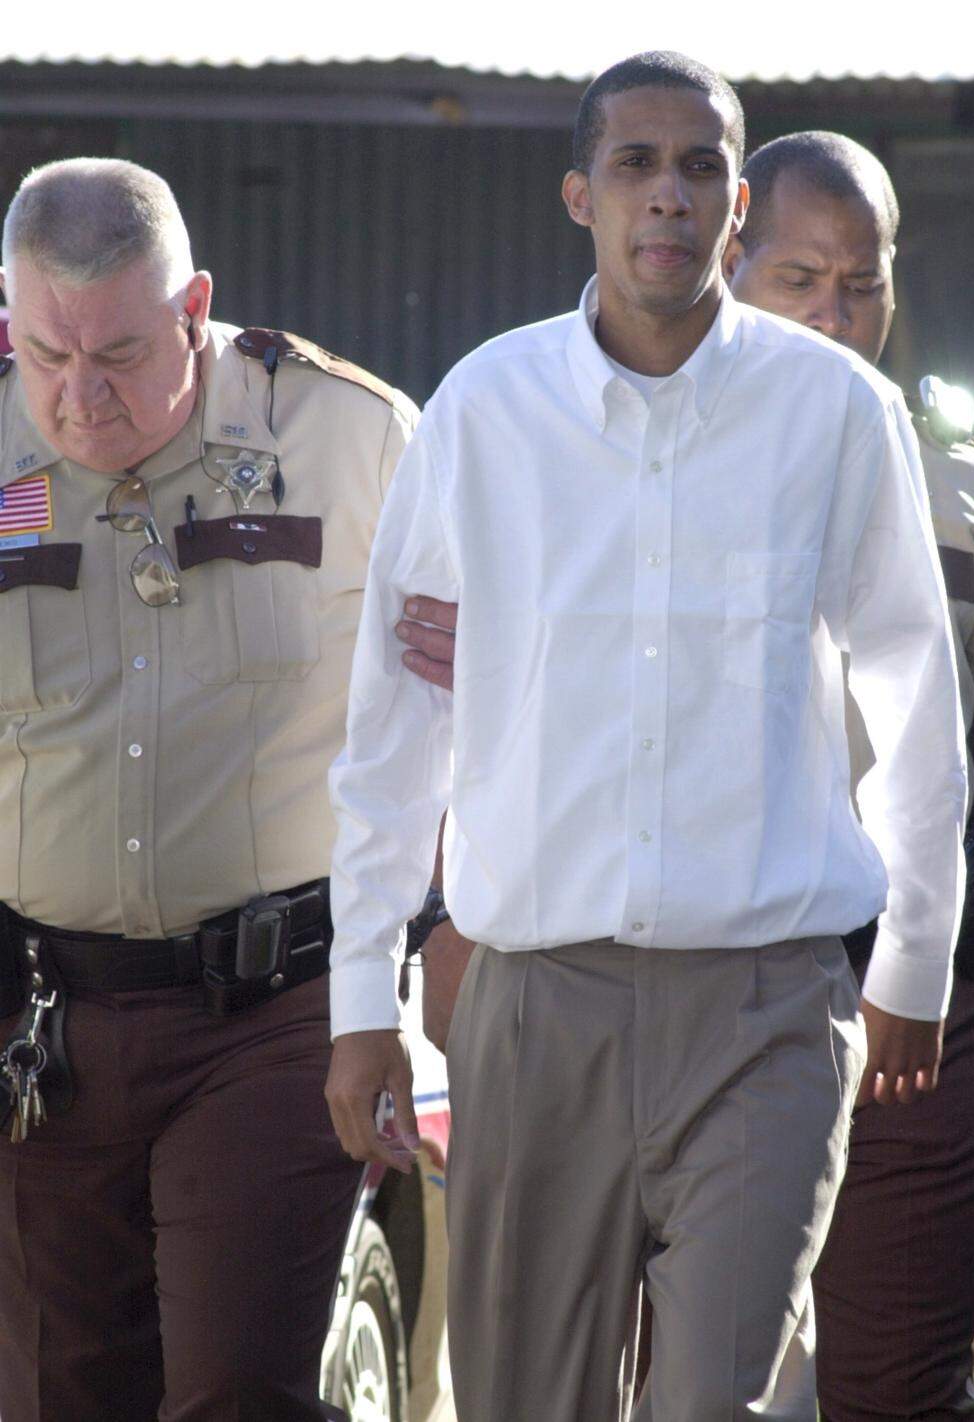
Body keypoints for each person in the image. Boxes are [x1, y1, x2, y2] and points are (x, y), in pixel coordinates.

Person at [325, 53, 969, 1422]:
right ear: (580, 195)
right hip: (536, 1007)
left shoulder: (837, 416)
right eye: (635, 163)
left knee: (710, 1404)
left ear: (737, 209)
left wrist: (915, 954)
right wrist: (361, 995)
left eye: (700, 167)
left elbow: (917, 689)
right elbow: (397, 719)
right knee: (521, 1401)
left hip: (768, 1010)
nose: (667, 194)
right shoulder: (484, 414)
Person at [0, 157, 417, 1421]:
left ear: (196, 312)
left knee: (240, 1388)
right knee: (63, 1397)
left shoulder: (353, 438)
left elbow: (472, 706)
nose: (80, 399)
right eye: (43, 355)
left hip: (273, 1012)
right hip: (40, 1025)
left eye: (121, 355)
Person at [722, 130, 974, 1421]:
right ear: (728, 263)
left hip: (916, 1004)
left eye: (863, 281)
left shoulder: (960, 488)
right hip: (689, 987)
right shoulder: (626, 465)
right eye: (798, 278)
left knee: (897, 1383)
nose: (836, 316)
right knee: (678, 1379)